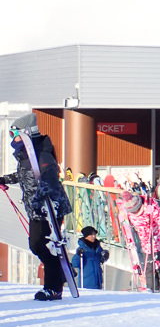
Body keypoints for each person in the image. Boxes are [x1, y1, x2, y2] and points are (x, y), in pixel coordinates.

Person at [0, 114, 73, 301]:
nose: (11, 138)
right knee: (37, 245)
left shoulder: (42, 152)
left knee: (43, 244)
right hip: (37, 208)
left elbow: (49, 178)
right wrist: (4, 180)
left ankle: (54, 287)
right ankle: (59, 272)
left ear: (24, 133)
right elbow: (26, 175)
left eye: (13, 134)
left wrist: (41, 202)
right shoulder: (28, 154)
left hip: (49, 207)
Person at [71, 226, 109, 290]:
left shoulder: (97, 247)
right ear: (86, 236)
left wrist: (105, 255)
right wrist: (78, 254)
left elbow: (101, 260)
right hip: (86, 282)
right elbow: (75, 263)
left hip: (98, 282)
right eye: (91, 235)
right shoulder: (82, 249)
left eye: (94, 234)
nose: (93, 236)